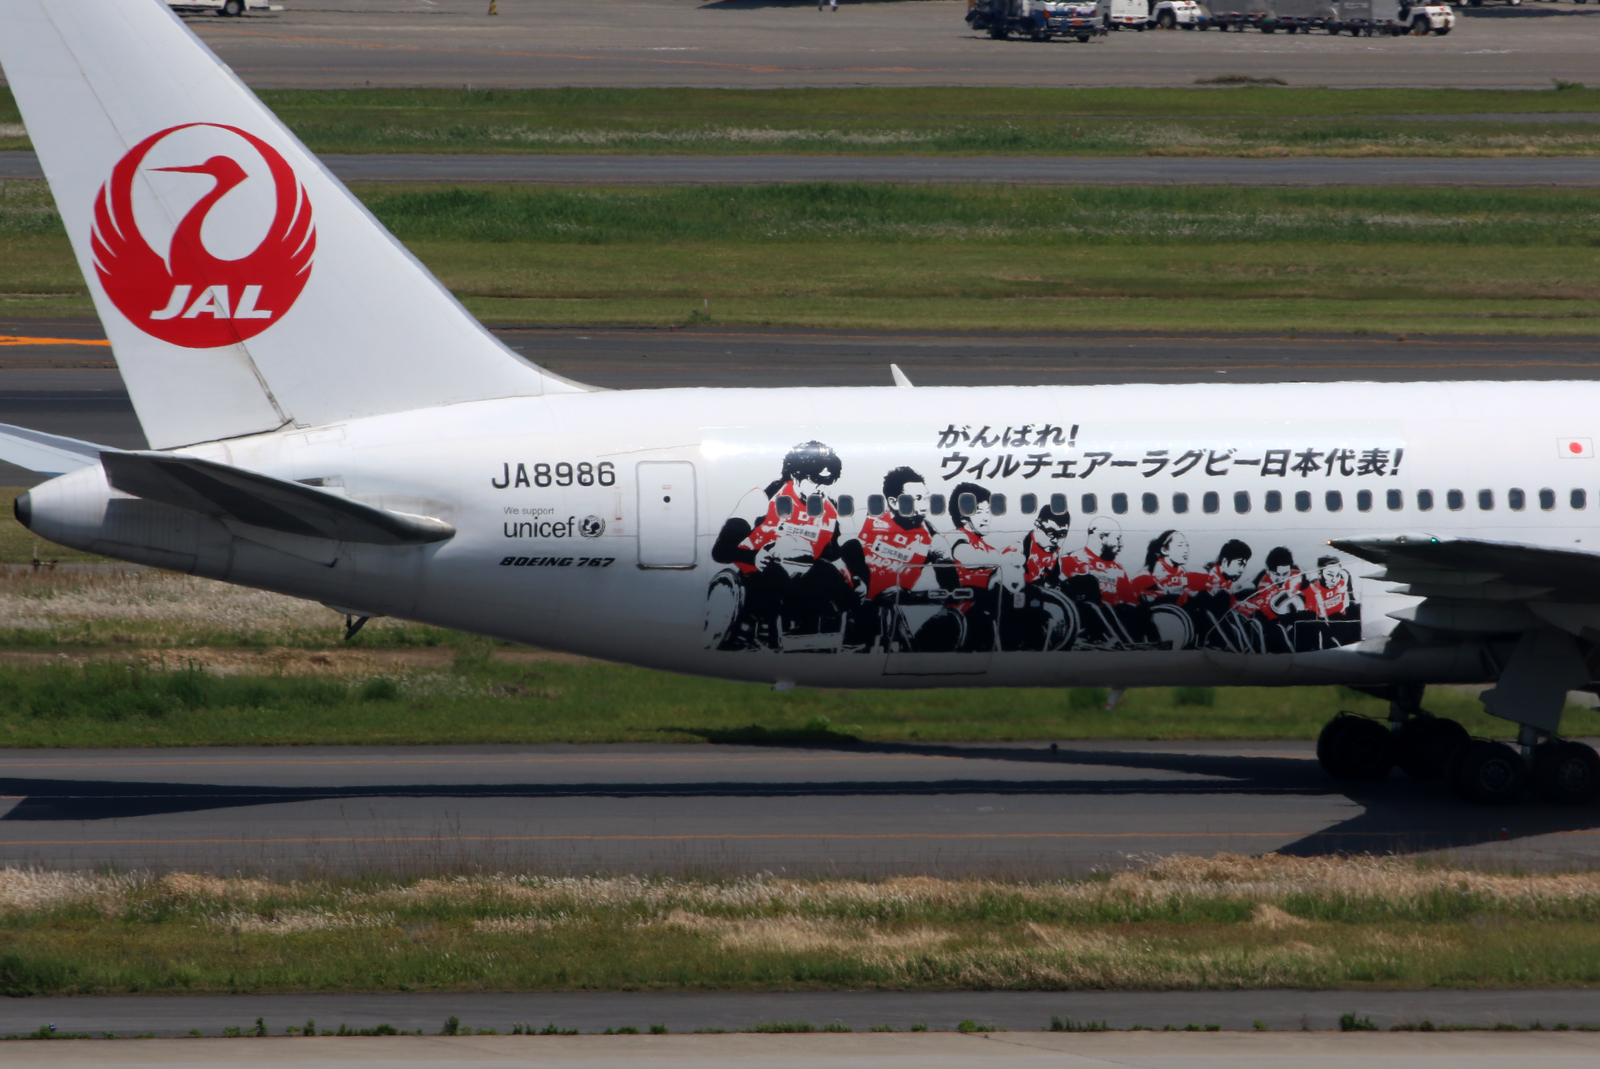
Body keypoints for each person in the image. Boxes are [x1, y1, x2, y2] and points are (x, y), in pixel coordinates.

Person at [706, 441, 859, 651]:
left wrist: (856, 580)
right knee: (774, 577)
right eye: (817, 480)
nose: (822, 488)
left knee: (831, 576)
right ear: (797, 474)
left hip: (801, 575)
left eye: (829, 481)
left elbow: (834, 557)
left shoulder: (828, 511)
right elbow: (721, 550)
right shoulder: (763, 497)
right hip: (759, 572)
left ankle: (850, 639)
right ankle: (752, 636)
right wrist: (754, 557)